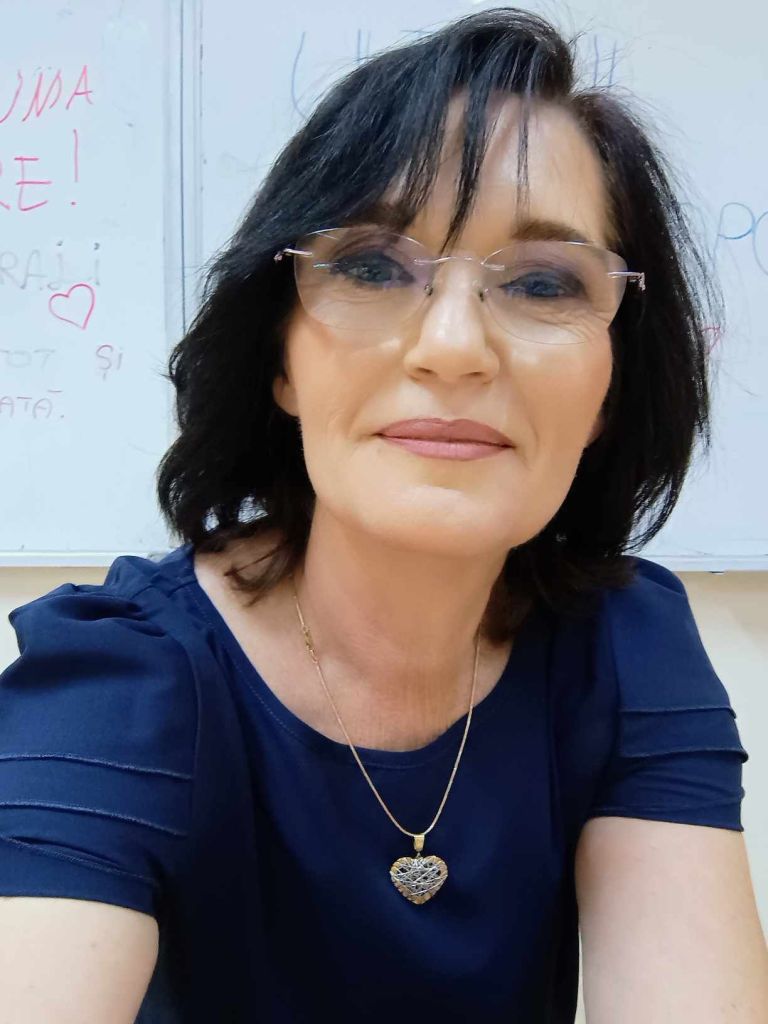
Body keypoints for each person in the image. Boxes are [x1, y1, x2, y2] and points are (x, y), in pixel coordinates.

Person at [1, 7, 766, 1022]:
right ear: (280, 356)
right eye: (371, 267)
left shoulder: (625, 647)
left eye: (544, 283)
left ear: (610, 391)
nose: (453, 348)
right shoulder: (117, 682)